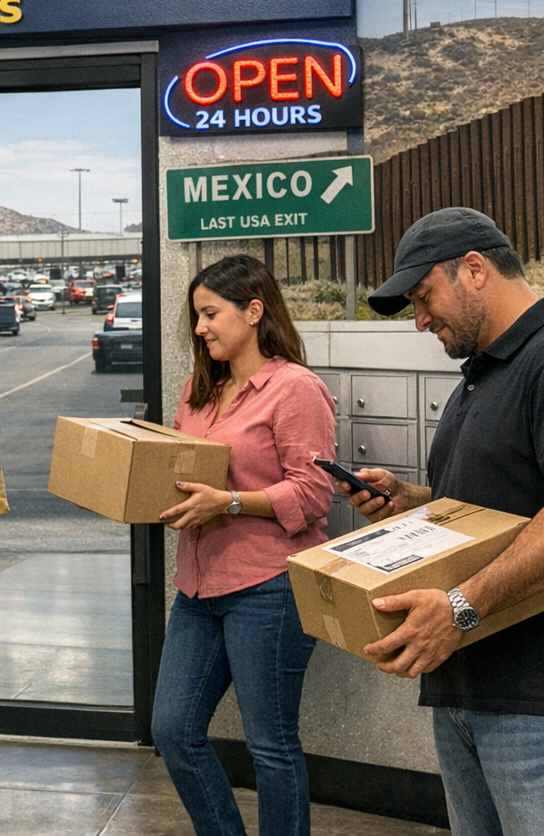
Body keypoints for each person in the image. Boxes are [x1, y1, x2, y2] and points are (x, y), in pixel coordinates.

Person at [345, 207, 544, 836]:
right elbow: (503, 508)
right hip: (472, 687)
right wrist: (414, 502)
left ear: (474, 270)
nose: (420, 320)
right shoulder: (484, 378)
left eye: (423, 297)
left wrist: (461, 606)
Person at [151, 254, 337, 836]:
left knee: (271, 745)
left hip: (268, 587)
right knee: (172, 731)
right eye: (196, 316)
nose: (200, 327)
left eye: (211, 314)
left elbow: (313, 494)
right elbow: (181, 472)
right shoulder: (199, 392)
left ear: (254, 311)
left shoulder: (295, 388)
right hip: (198, 587)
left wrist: (228, 502)